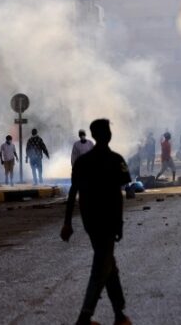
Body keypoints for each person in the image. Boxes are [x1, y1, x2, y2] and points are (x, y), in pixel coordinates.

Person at [60, 119, 132, 325]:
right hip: (108, 221)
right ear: (107, 135)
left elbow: (73, 192)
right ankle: (84, 317)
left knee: (109, 264)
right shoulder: (115, 159)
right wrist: (119, 223)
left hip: (90, 220)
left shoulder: (83, 162)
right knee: (101, 267)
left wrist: (67, 223)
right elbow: (119, 196)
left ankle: (120, 314)